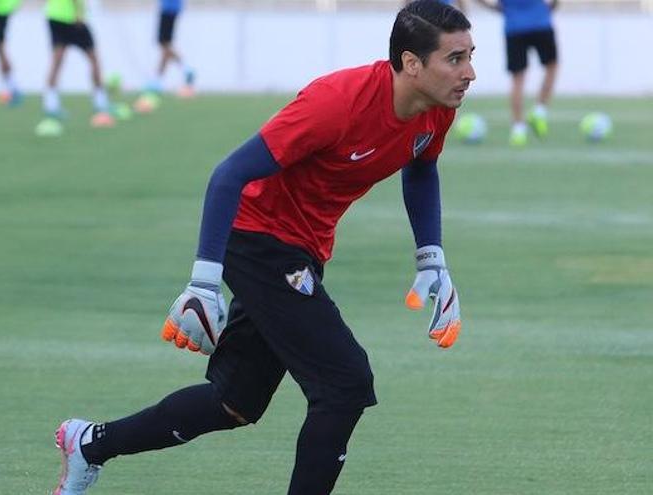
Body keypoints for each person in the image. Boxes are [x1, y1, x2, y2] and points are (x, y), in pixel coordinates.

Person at [49, 1, 472, 494]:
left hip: (305, 248)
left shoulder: (437, 109)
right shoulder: (336, 101)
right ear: (412, 63)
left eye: (469, 56)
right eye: (456, 59)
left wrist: (431, 257)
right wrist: (203, 282)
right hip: (257, 238)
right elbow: (229, 174)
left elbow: (421, 165)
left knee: (234, 402)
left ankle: (89, 444)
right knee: (345, 383)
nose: (470, 73)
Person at [476, 0, 558, 146]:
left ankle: (518, 129)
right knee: (552, 66)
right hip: (540, 20)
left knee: (517, 79)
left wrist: (493, 7)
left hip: (514, 26)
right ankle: (539, 111)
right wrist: (554, 4)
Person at [37, 0, 115, 132]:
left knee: (58, 60)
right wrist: (78, 12)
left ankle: (51, 104)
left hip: (56, 15)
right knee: (91, 59)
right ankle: (100, 102)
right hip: (69, 17)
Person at [151, 0, 194, 97]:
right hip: (172, 8)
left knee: (163, 42)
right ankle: (158, 81)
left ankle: (186, 68)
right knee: (166, 46)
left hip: (168, 8)